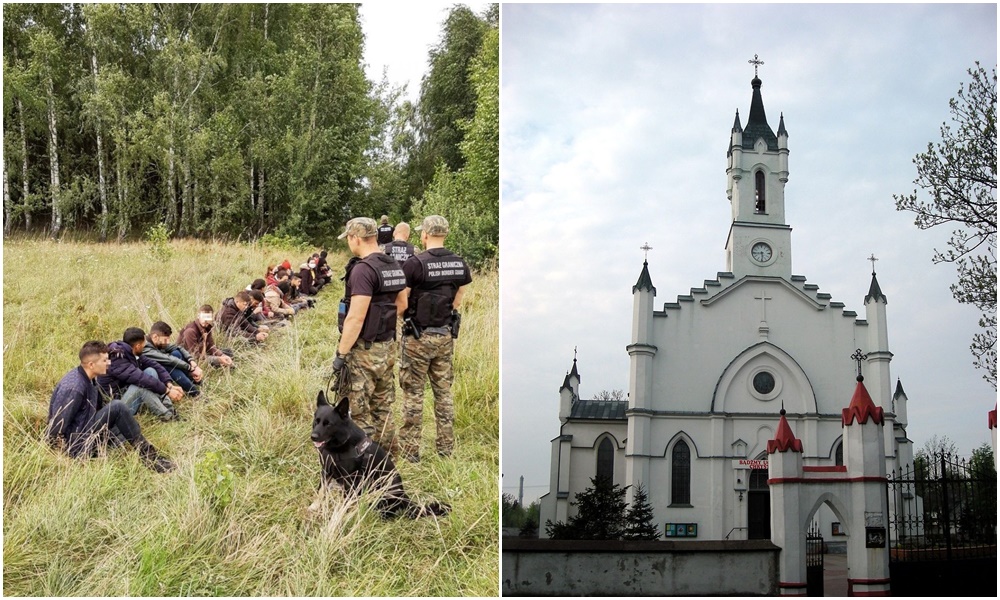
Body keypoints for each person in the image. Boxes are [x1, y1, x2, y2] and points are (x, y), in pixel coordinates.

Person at [397, 215, 472, 462]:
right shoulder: (459, 264)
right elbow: (458, 299)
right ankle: (445, 449)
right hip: (444, 336)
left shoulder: (414, 264)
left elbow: (402, 301)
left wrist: (403, 318)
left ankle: (410, 452)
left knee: (413, 394)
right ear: (445, 234)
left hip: (417, 337)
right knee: (443, 394)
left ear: (425, 234)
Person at [331, 216, 407, 450]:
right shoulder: (393, 264)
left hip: (364, 349)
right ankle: (388, 457)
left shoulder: (363, 270)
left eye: (348, 239)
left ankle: (366, 464)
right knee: (383, 405)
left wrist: (341, 354)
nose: (348, 244)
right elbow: (402, 305)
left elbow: (356, 317)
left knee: (359, 410)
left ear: (356, 238)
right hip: (387, 347)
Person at [46, 341, 175, 472]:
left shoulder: (88, 377)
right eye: (105, 360)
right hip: (78, 445)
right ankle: (150, 459)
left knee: (129, 426)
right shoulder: (74, 387)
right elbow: (57, 425)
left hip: (87, 428)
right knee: (118, 407)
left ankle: (111, 447)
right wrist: (63, 457)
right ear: (91, 365)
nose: (109, 363)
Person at [97, 327, 185, 421]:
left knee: (150, 371)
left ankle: (169, 408)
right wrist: (167, 391)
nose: (144, 347)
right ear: (137, 346)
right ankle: (167, 416)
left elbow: (154, 365)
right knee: (140, 387)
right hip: (115, 408)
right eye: (144, 345)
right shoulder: (117, 359)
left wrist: (169, 384)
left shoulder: (130, 353)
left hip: (124, 393)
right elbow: (141, 378)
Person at [142, 321, 203, 397]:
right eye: (165, 340)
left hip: (162, 371)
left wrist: (191, 361)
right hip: (150, 377)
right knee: (169, 365)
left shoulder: (157, 342)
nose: (167, 342)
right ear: (155, 337)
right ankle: (195, 393)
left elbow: (178, 347)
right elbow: (168, 359)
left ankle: (194, 380)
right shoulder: (144, 348)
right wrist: (190, 369)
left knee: (176, 352)